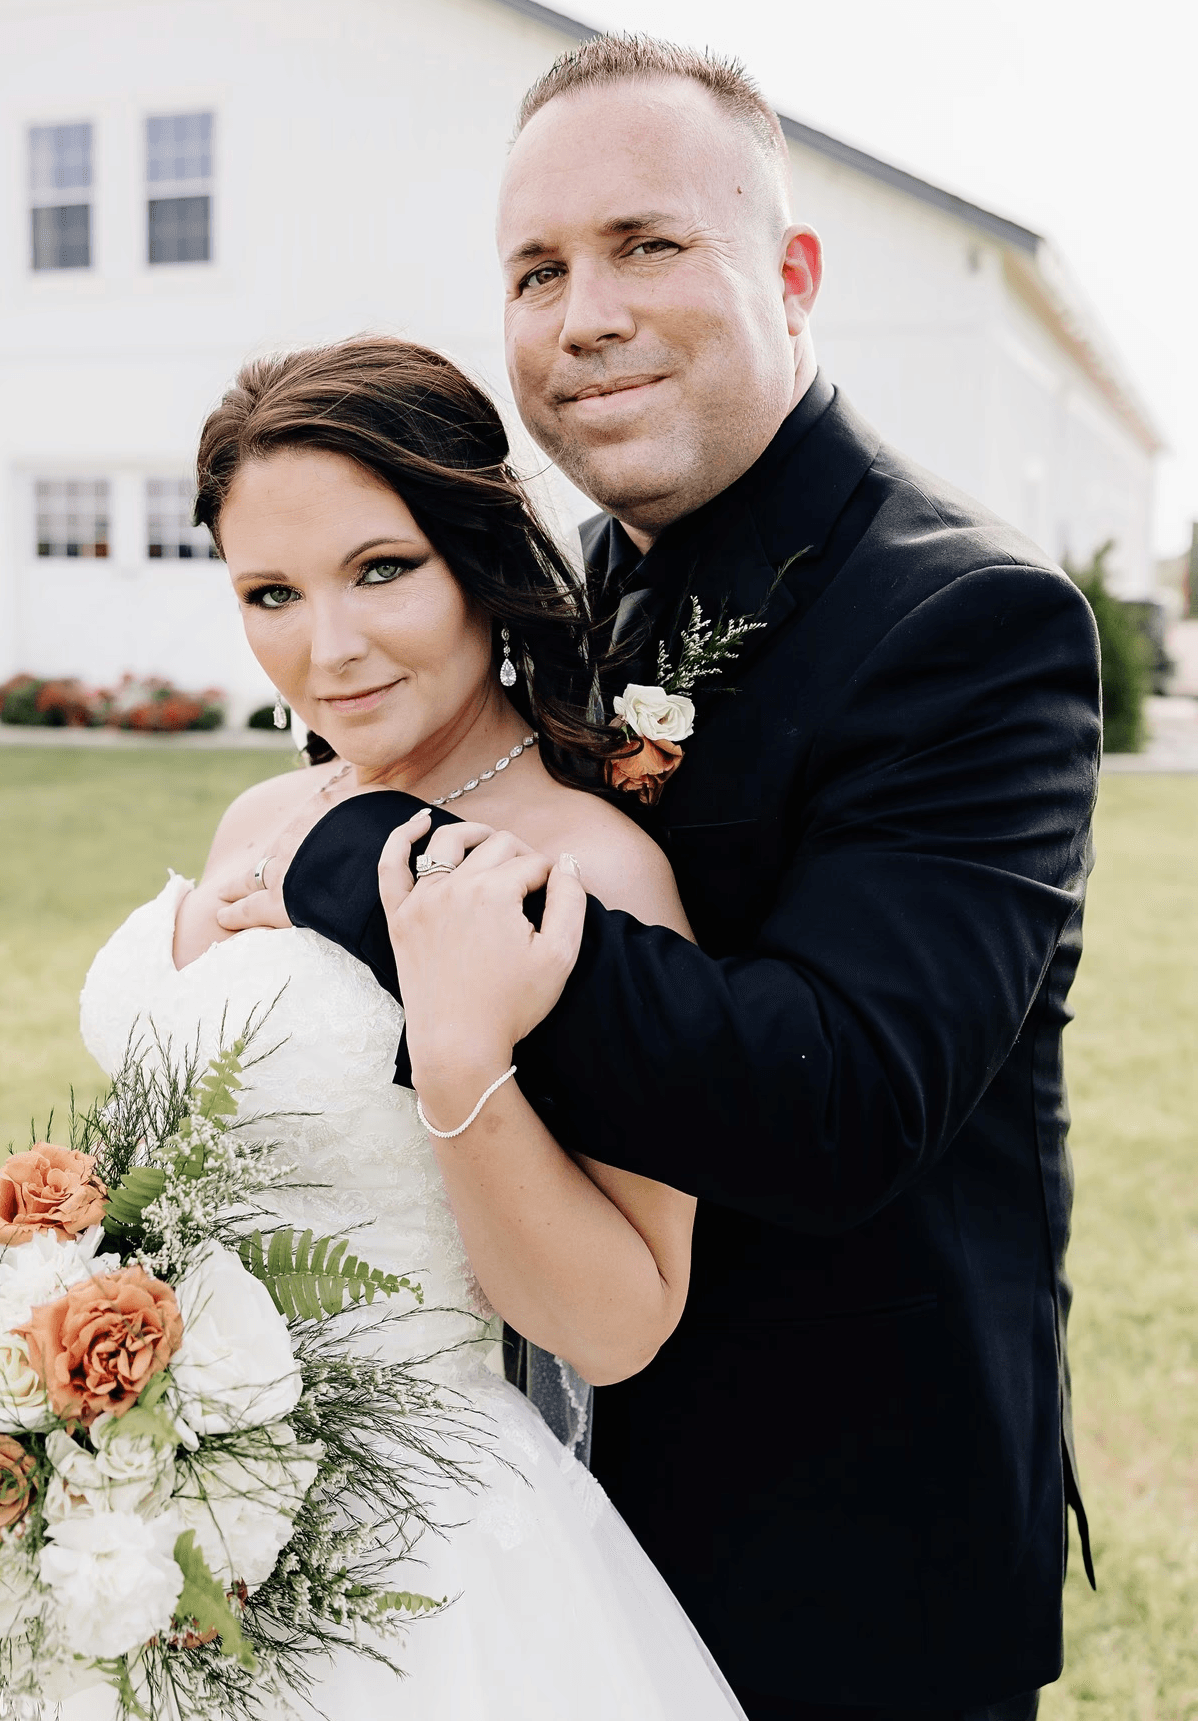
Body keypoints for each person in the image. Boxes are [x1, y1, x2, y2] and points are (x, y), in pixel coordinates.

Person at [221, 36, 1102, 1721]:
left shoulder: (967, 623)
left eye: (646, 245)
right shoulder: (555, 595)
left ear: (793, 274)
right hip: (529, 1534)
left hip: (842, 1551)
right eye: (537, 270)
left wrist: (363, 867)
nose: (585, 315)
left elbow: (840, 1101)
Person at [74, 336, 745, 1720]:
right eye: (271, 593)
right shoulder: (264, 816)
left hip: (423, 1555)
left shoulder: (587, 871)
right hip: (150, 1518)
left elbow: (619, 1325)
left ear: (478, 561)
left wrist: (458, 1058)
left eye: (381, 570)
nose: (328, 648)